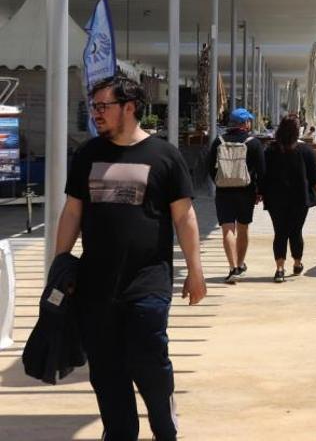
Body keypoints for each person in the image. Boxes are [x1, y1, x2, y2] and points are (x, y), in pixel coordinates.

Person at [55, 75, 206, 440]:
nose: (96, 114)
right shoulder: (88, 154)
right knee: (106, 372)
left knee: (148, 359)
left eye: (103, 106)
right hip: (95, 284)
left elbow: (183, 216)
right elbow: (72, 211)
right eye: (93, 107)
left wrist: (195, 271)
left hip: (148, 281)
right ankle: (119, 432)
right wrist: (59, 264)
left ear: (130, 107)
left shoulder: (164, 155)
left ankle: (163, 420)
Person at [260, 116, 316, 283]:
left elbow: (263, 175)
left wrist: (259, 193)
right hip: (300, 199)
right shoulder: (306, 151)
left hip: (276, 199)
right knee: (295, 232)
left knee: (280, 232)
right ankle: (297, 263)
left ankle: (279, 269)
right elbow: (315, 176)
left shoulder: (270, 149)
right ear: (297, 131)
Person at [207, 108, 265, 283]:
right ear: (245, 123)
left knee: (227, 229)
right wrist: (260, 191)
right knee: (243, 228)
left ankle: (232, 268)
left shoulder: (218, 141)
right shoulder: (253, 143)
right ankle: (240, 265)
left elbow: (210, 167)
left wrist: (220, 181)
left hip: (224, 191)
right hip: (246, 191)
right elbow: (262, 171)